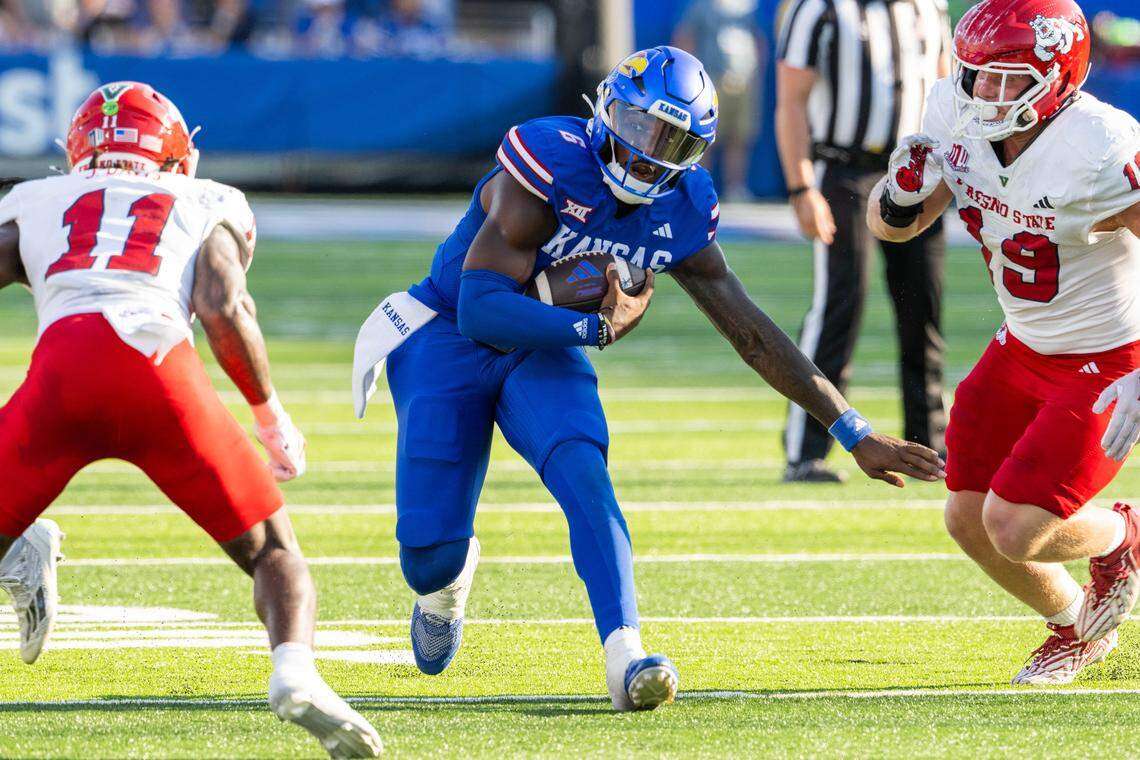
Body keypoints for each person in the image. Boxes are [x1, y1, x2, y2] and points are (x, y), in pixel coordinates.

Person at [352, 45, 945, 712]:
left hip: (539, 351)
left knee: (584, 472)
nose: (645, 153)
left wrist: (850, 427)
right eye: (638, 128)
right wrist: (592, 330)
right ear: (608, 111)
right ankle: (444, 586)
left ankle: (625, 654)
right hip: (448, 339)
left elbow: (749, 331)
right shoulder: (551, 161)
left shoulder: (683, 204)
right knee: (427, 554)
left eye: (672, 140)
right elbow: (480, 307)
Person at [0, 82, 382, 757]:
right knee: (273, 552)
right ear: (176, 156)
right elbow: (224, 306)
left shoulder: (34, 198)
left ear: (77, 150)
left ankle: (16, 549)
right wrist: (270, 420)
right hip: (158, 369)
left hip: (61, 376)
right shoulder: (208, 199)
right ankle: (295, 672)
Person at [868, 0, 1140, 684]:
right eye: (976, 76)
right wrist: (899, 194)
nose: (984, 93)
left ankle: (1122, 535)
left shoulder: (1101, 147)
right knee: (966, 517)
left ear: (1057, 77)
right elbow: (893, 228)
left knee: (1014, 525)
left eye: (1006, 78)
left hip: (1107, 355)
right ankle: (1078, 626)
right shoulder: (952, 113)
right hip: (1022, 342)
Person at [776, 0, 952, 482]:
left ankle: (929, 444)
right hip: (843, 169)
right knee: (840, 306)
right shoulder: (821, 9)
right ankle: (806, 450)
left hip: (919, 173)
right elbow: (791, 99)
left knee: (923, 310)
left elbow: (947, 90)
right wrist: (801, 186)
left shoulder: (928, 6)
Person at [672, 0, 766, 201]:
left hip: (744, 80)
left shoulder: (748, 6)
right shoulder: (702, 6)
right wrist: (690, 78)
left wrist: (758, 71)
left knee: (739, 138)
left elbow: (757, 37)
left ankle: (736, 189)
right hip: (713, 80)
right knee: (704, 137)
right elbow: (685, 37)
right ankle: (700, 187)